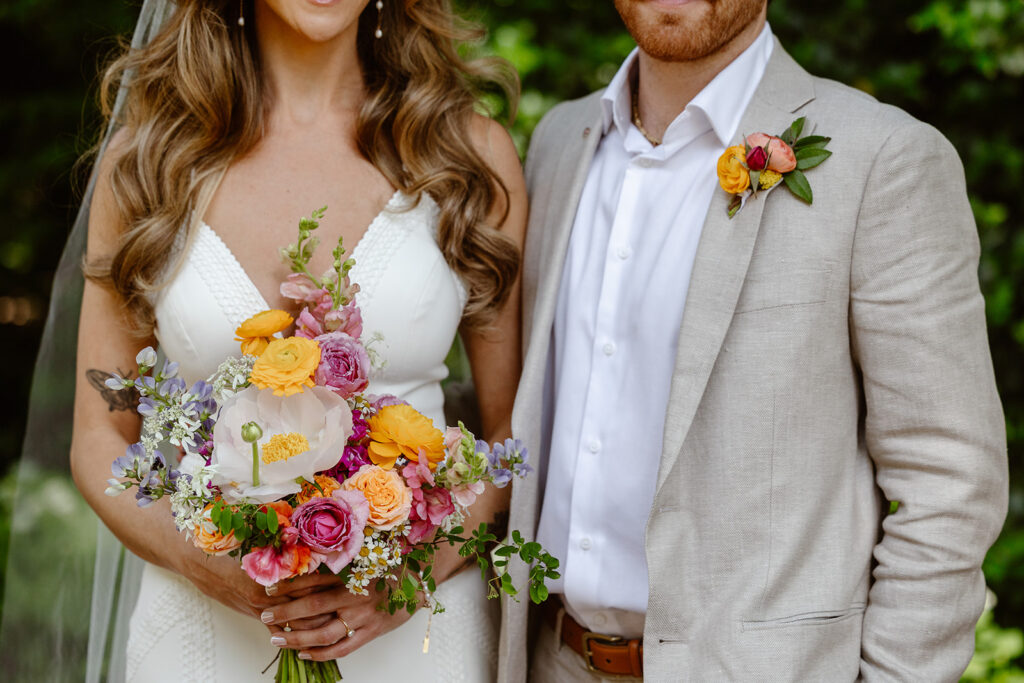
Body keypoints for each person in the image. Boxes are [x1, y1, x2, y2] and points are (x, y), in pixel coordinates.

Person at [501, 1, 1007, 681]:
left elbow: (949, 474)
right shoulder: (559, 142)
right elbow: (516, 399)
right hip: (550, 660)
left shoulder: (883, 158)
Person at [68, 0, 526, 680]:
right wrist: (208, 561)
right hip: (203, 628)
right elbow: (98, 439)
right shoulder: (149, 161)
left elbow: (515, 433)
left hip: (415, 636)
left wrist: (403, 578)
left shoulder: (464, 156)